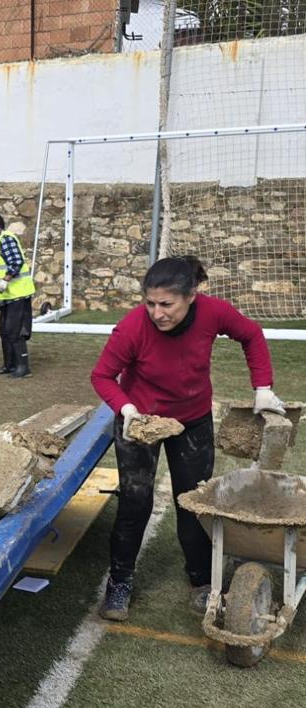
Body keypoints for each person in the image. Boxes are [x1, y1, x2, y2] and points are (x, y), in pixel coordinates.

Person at [90, 255, 285, 622]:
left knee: (193, 502)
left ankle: (200, 581)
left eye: (166, 304)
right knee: (135, 502)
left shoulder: (213, 312)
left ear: (191, 295)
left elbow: (251, 334)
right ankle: (119, 582)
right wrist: (127, 409)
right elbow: (102, 376)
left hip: (192, 419)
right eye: (150, 303)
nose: (157, 313)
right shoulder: (132, 328)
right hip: (141, 422)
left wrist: (262, 387)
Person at [0, 213, 35, 378]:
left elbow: (16, 261)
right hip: (7, 296)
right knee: (4, 329)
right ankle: (9, 365)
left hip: (17, 294)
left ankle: (23, 367)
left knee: (15, 330)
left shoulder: (6, 239)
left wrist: (6, 280)